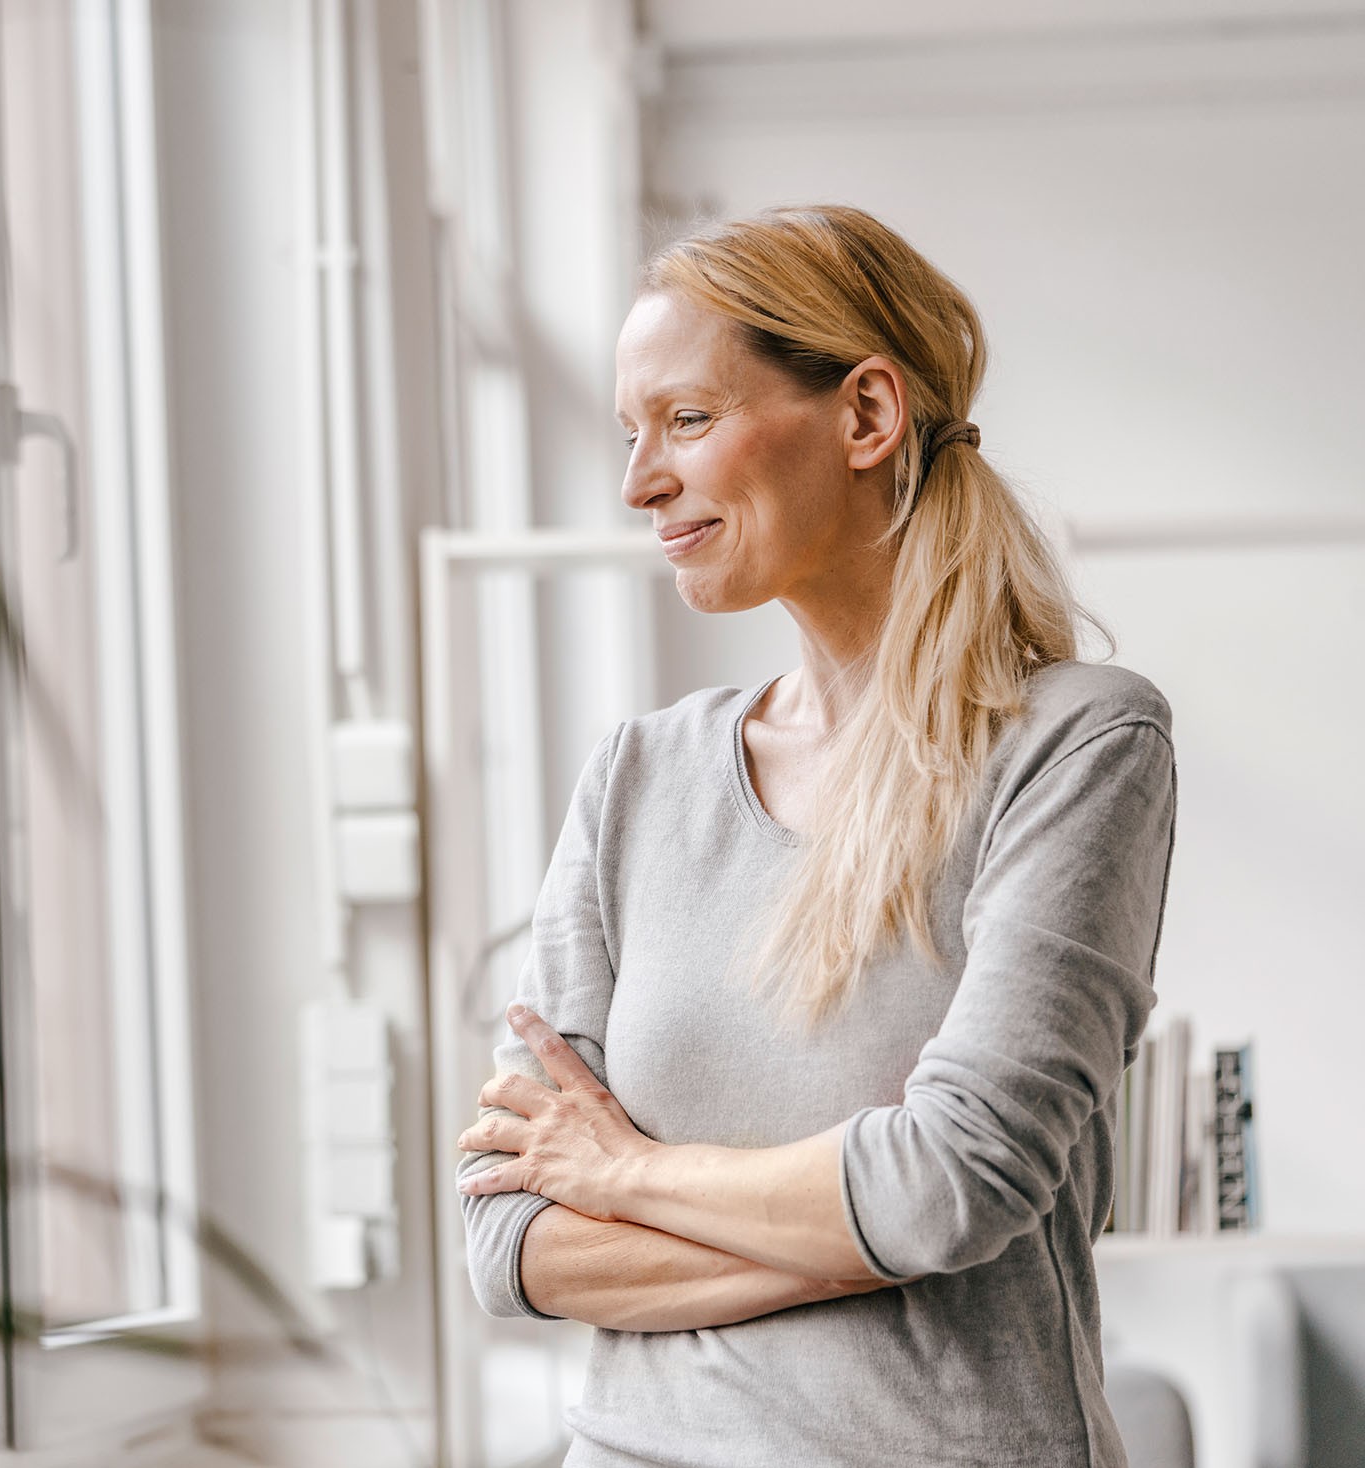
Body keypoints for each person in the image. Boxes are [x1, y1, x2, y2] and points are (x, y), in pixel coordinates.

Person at [452, 204, 1180, 1468]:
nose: (638, 482)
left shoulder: (1078, 745)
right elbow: (508, 1245)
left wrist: (622, 1174)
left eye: (686, 419)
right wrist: (857, 1232)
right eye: (631, 434)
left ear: (864, 416)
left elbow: (953, 1185)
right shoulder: (637, 775)